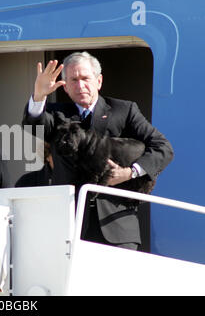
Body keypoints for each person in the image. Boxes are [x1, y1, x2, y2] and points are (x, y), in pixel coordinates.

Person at [22, 51, 174, 250]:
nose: (80, 85)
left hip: (117, 226)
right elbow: (34, 125)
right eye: (73, 80)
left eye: (85, 78)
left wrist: (129, 173)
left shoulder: (124, 110)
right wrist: (39, 95)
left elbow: (163, 148)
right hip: (71, 227)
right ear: (65, 87)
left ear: (98, 81)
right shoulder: (55, 113)